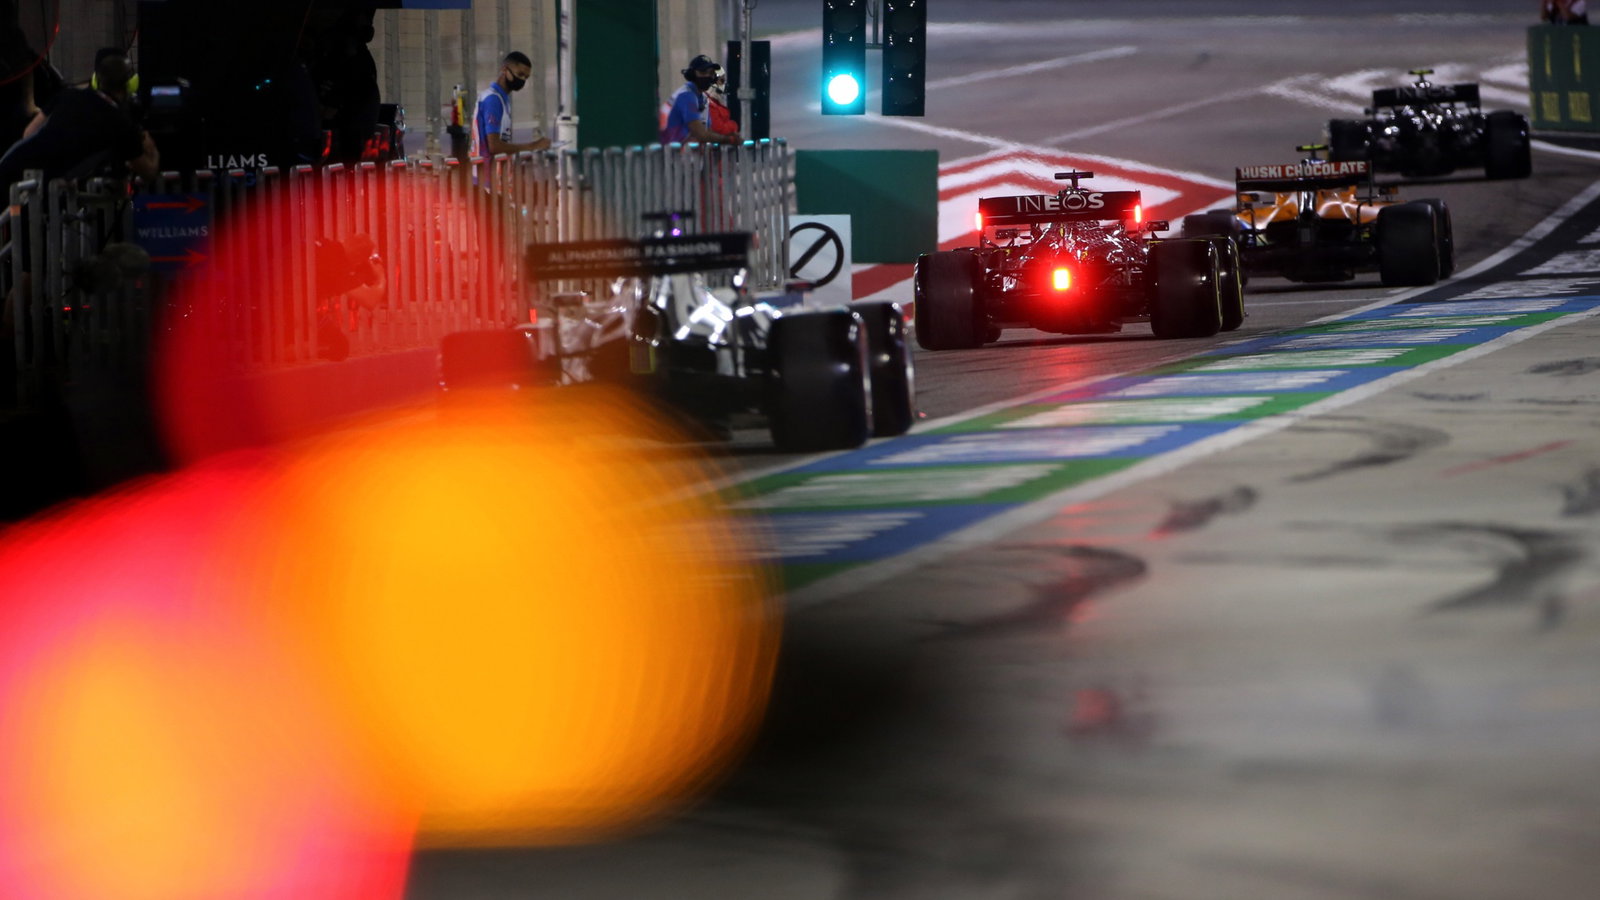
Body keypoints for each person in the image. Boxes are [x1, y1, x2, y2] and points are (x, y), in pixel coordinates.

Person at [0, 48, 157, 189]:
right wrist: (151, 149)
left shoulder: (68, 95)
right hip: (33, 186)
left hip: (11, 166)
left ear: (97, 78)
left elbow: (29, 132)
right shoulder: (121, 124)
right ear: (130, 84)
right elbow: (149, 173)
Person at [472, 50, 550, 160]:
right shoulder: (493, 100)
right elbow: (494, 146)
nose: (522, 80)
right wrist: (532, 146)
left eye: (526, 78)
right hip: (487, 173)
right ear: (504, 69)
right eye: (520, 74)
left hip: (497, 172)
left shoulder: (502, 99)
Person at [660, 54, 739, 146]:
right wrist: (729, 140)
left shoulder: (703, 98)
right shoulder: (686, 96)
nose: (708, 76)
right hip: (674, 155)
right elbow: (701, 134)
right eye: (703, 72)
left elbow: (708, 131)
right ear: (692, 74)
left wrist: (728, 135)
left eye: (711, 73)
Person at [706, 65, 739, 139]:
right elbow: (719, 129)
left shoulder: (713, 102)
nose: (724, 85)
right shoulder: (709, 104)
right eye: (722, 81)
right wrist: (733, 125)